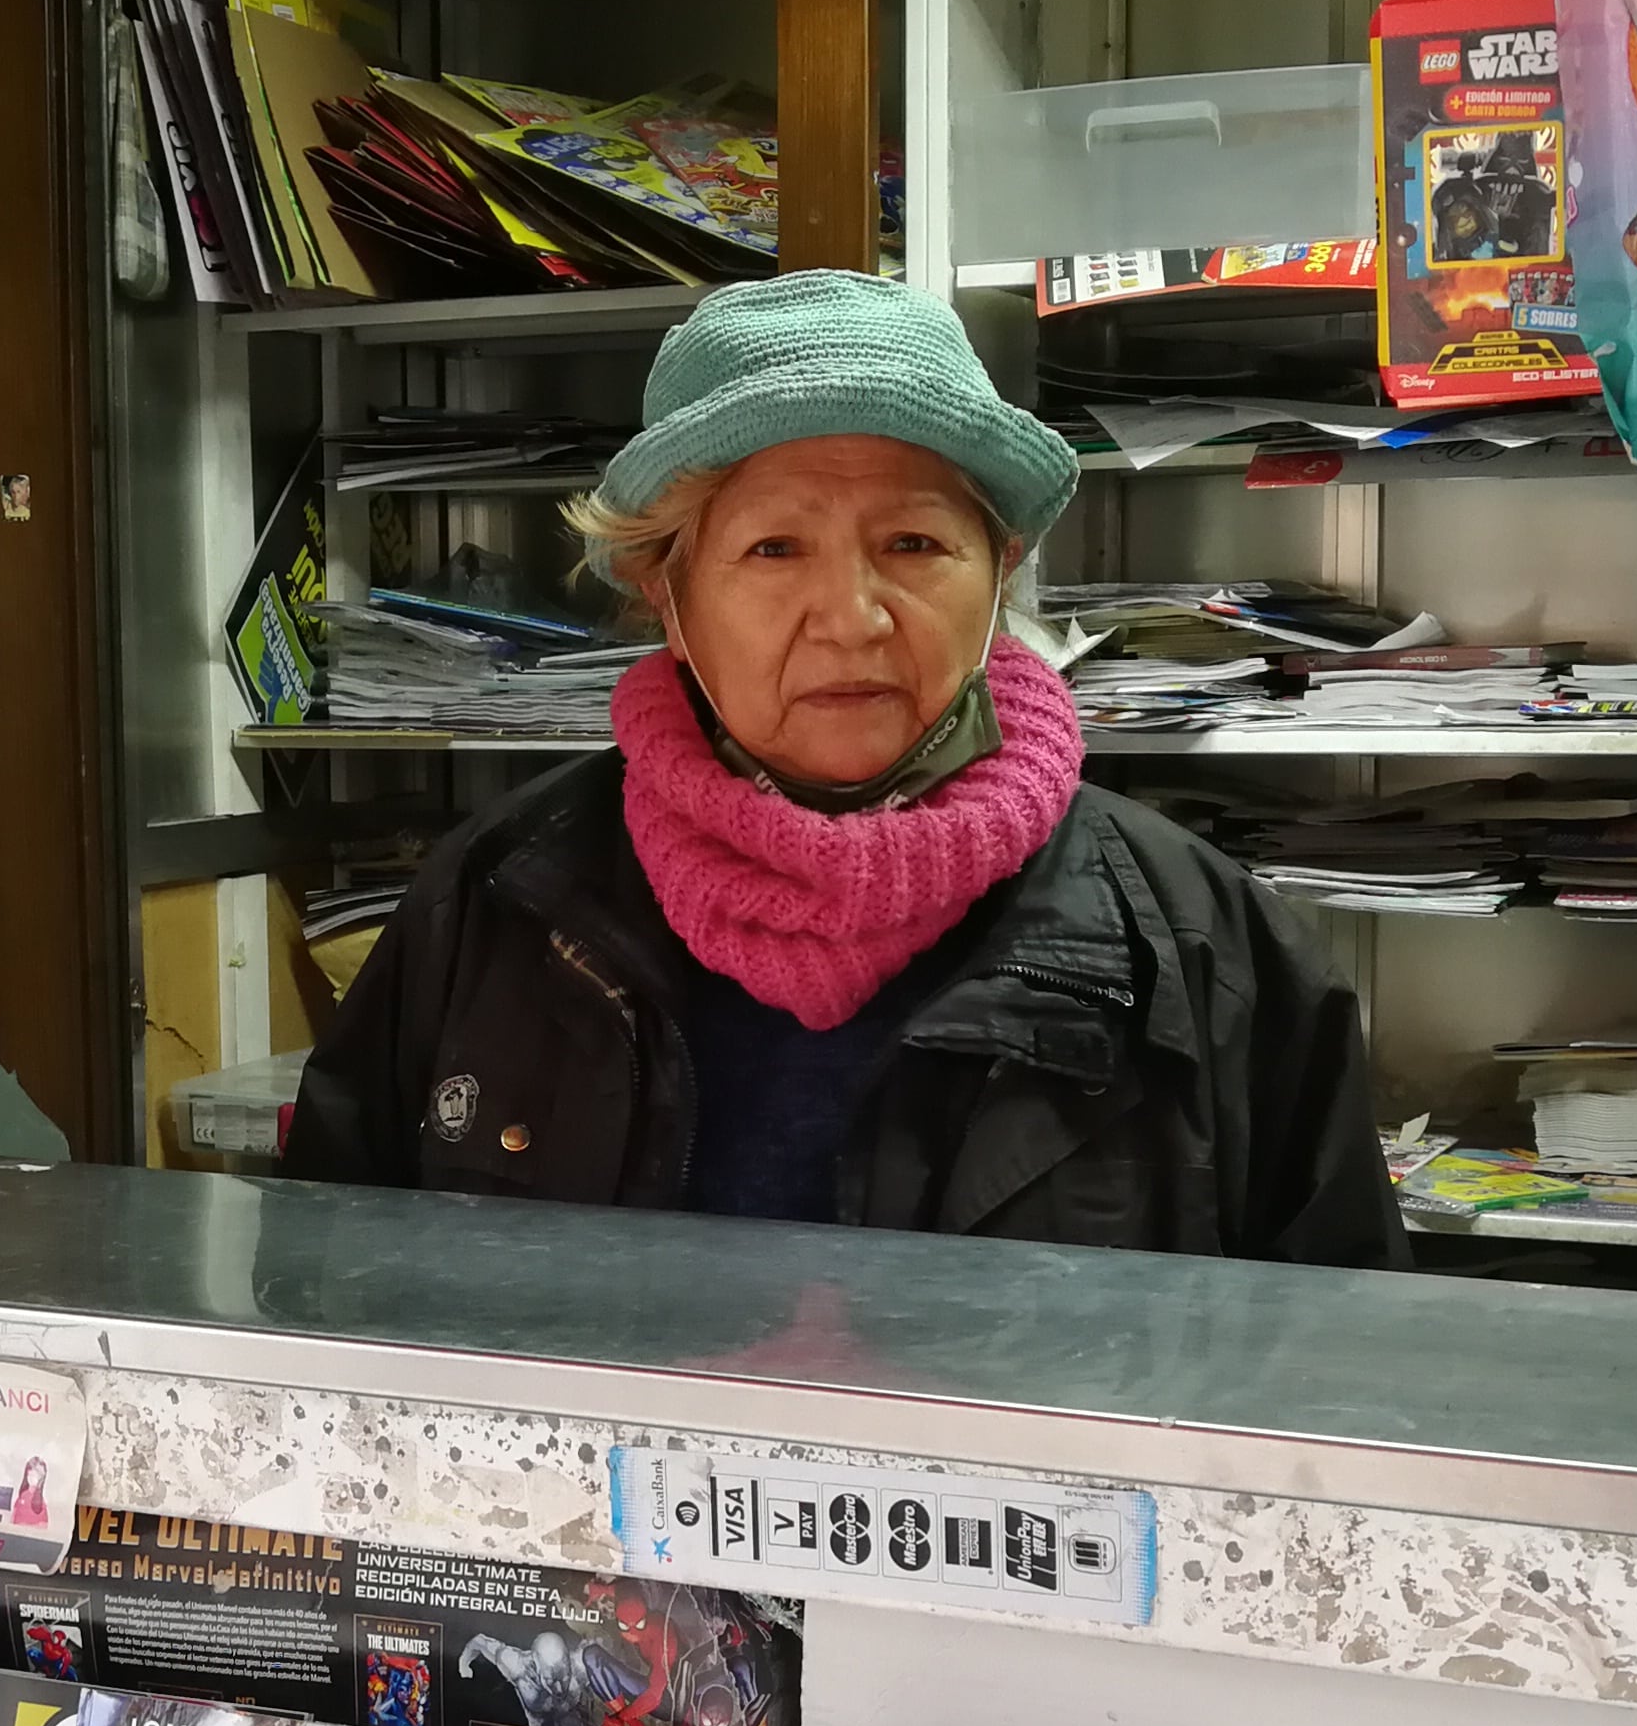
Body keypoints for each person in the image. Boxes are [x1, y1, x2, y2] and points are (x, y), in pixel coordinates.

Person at [287, 274, 1404, 1263]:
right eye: (773, 549)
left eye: (913, 545)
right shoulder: (501, 903)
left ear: (999, 575)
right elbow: (329, 1304)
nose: (853, 618)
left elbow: (1338, 1392)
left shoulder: (1200, 944)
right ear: (665, 598)